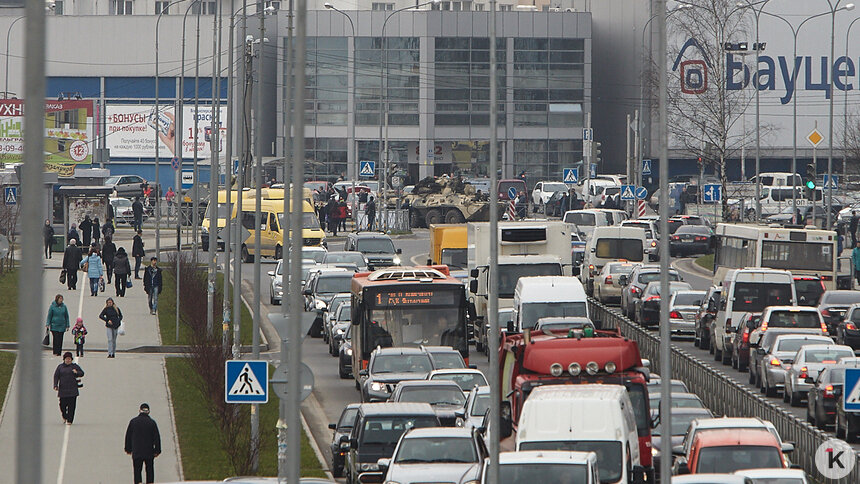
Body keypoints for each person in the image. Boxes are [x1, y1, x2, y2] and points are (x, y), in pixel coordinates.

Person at [124, 402, 162, 484]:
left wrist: (128, 449)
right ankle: (150, 482)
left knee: (137, 471)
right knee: (149, 470)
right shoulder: (152, 423)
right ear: (148, 412)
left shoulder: (133, 422)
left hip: (137, 452)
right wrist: (157, 450)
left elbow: (128, 436)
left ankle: (138, 482)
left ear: (139, 410)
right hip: (149, 452)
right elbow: (157, 438)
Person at [53, 352, 83, 425]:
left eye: (69, 359)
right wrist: (55, 385)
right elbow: (56, 376)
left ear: (71, 359)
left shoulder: (74, 366)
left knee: (71, 406)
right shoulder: (60, 367)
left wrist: (77, 372)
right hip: (63, 389)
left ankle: (70, 420)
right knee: (62, 405)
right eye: (66, 359)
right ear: (64, 359)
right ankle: (64, 416)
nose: (68, 360)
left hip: (72, 390)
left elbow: (82, 373)